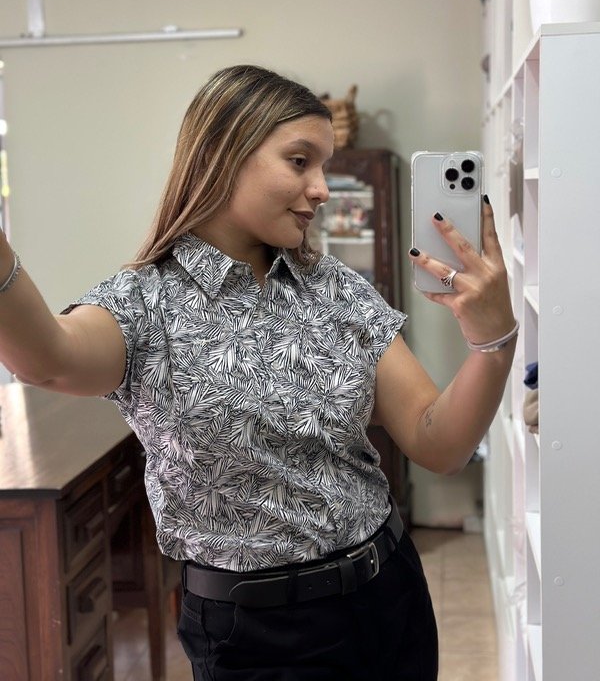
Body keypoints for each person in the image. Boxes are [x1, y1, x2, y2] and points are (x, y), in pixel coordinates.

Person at [0, 64, 516, 680]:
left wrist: (493, 339)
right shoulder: (145, 303)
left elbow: (440, 442)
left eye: (323, 166)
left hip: (389, 595)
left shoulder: (335, 289)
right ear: (222, 154)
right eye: (300, 161)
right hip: (259, 640)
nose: (322, 189)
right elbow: (47, 359)